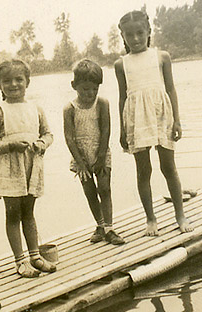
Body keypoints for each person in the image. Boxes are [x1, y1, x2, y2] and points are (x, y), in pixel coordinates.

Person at [114, 10, 194, 236]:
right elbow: (122, 97)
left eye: (140, 33)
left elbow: (170, 89)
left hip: (161, 115)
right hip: (136, 119)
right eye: (130, 35)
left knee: (168, 167)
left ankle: (180, 215)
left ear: (149, 32)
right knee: (143, 170)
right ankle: (151, 219)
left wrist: (177, 120)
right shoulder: (121, 65)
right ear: (123, 36)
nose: (136, 39)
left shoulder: (162, 57)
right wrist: (122, 129)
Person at [0, 59, 56, 278]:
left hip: (30, 167)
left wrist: (42, 144)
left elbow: (48, 134)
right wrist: (10, 146)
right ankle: (20, 261)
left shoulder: (36, 108)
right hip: (9, 169)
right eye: (7, 81)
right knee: (13, 214)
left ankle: (35, 257)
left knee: (29, 213)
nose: (14, 84)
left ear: (28, 81)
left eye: (19, 79)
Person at [63, 59, 125, 245]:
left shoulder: (102, 103)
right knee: (89, 191)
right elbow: (69, 138)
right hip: (80, 156)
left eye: (94, 89)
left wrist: (100, 157)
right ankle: (99, 226)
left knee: (104, 189)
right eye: (85, 89)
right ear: (74, 86)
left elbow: (106, 130)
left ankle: (110, 228)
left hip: (100, 152)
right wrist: (81, 163)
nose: (90, 93)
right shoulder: (69, 108)